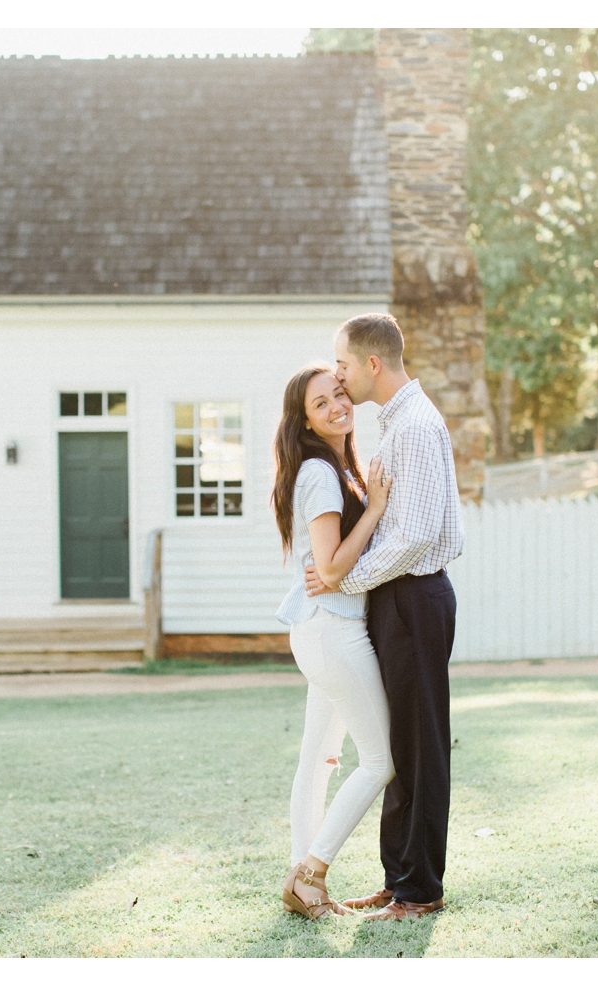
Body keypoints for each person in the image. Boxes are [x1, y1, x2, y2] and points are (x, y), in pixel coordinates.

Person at [305, 312, 464, 922]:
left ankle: (421, 890)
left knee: (420, 745)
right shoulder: (398, 423)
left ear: (373, 364)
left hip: (415, 596)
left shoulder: (416, 427)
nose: (339, 379)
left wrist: (346, 575)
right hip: (396, 596)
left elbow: (417, 535)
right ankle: (400, 880)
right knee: (399, 741)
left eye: (342, 365)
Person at [271, 362, 396, 920]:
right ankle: (313, 871)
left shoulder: (337, 467)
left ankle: (303, 877)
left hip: (320, 630)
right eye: (321, 404)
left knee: (318, 762)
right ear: (304, 421)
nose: (337, 406)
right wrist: (373, 510)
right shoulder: (321, 473)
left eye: (339, 395)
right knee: (379, 761)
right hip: (334, 631)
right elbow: (331, 567)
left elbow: (329, 568)